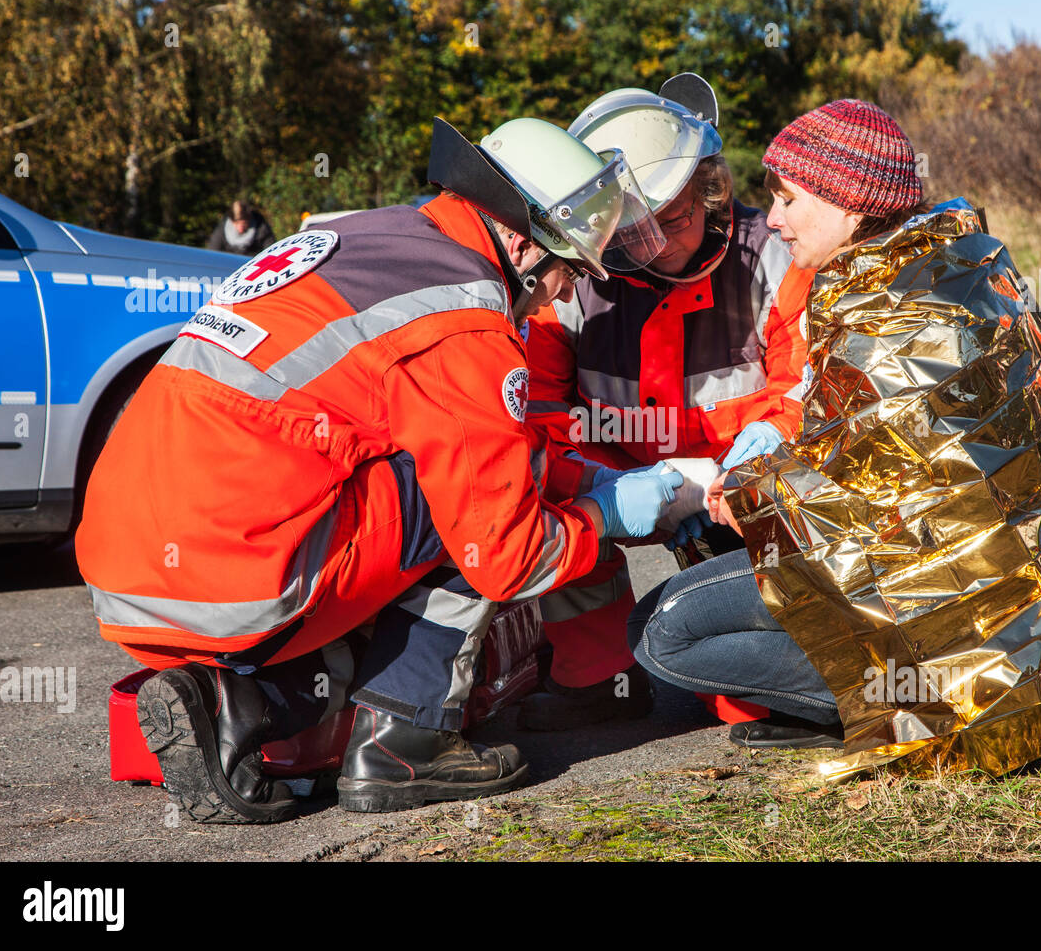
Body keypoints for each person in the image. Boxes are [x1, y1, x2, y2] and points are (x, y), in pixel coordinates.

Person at [76, 115, 681, 822]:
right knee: (478, 520)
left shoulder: (371, 239)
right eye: (569, 271)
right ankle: (404, 743)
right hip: (241, 576)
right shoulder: (464, 317)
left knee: (419, 491)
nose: (566, 295)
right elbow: (506, 555)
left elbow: (458, 438)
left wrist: (577, 476)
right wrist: (601, 515)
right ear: (521, 243)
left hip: (127, 565)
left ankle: (247, 701)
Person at [630, 99, 1041, 768]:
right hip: (1036, 639)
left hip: (975, 657)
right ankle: (871, 696)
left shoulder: (887, 323)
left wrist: (728, 493)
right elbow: (887, 473)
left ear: (848, 205)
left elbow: (854, 519)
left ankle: (897, 711)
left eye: (788, 199)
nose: (772, 219)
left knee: (663, 632)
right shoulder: (953, 269)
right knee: (706, 595)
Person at [519, 74, 815, 731]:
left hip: (739, 488)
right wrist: (603, 487)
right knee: (543, 500)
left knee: (746, 708)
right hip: (619, 473)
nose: (649, 246)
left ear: (710, 189)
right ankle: (595, 678)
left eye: (672, 220)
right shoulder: (568, 279)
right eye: (628, 230)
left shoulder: (771, 253)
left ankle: (786, 675)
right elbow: (537, 414)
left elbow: (803, 386)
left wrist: (745, 471)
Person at [206, 199, 276, 255]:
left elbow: (271, 250)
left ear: (249, 220)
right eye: (237, 223)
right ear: (232, 221)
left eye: (244, 223)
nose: (241, 227)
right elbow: (212, 253)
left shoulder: (261, 228)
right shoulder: (222, 231)